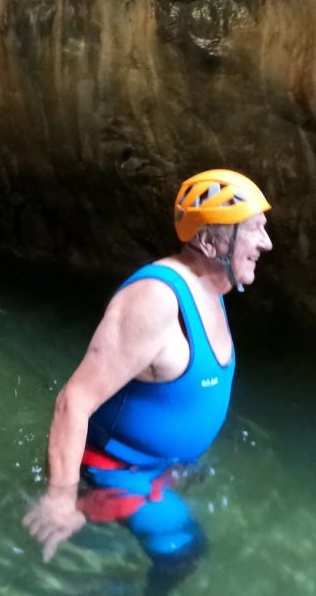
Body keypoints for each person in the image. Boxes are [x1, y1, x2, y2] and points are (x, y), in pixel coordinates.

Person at [23, 169, 273, 594]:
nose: (266, 242)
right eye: (253, 230)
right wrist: (59, 500)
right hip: (116, 469)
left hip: (159, 469)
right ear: (211, 243)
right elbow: (74, 400)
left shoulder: (212, 290)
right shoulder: (155, 301)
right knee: (185, 549)